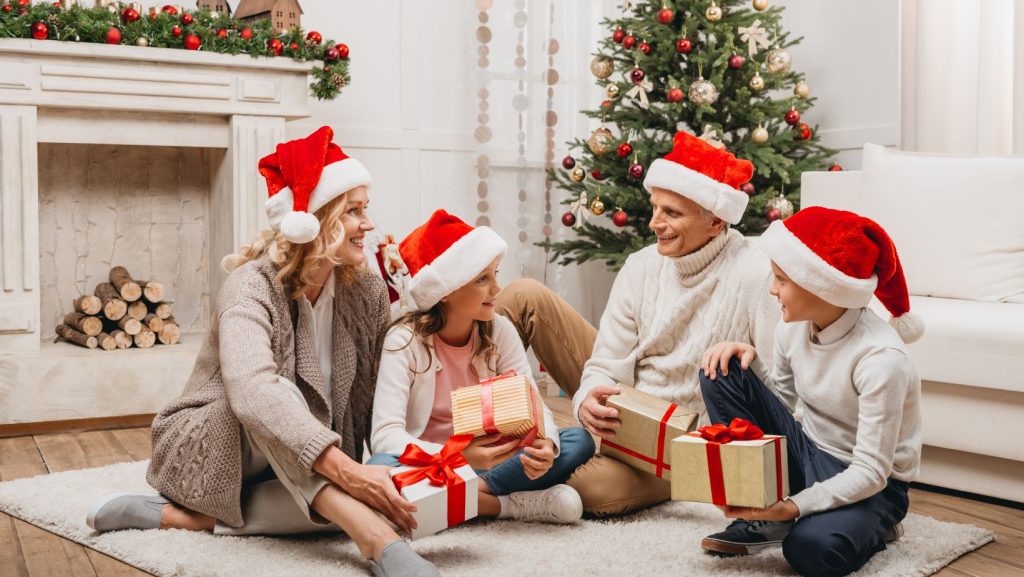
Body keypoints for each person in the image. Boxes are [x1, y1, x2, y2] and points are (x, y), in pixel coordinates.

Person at [86, 127, 440, 577]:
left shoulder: (366, 289)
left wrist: (412, 463)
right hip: (217, 441)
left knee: (337, 509)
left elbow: (374, 397)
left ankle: (184, 518)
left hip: (298, 465)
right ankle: (376, 541)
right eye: (353, 211)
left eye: (365, 209)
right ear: (316, 219)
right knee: (277, 399)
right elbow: (252, 392)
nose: (367, 224)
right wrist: (347, 472)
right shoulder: (250, 286)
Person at [494, 131, 780, 515]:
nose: (654, 223)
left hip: (685, 438)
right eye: (655, 207)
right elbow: (604, 363)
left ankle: (534, 459)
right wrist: (587, 399)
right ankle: (475, 431)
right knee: (523, 294)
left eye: (672, 213)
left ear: (715, 222)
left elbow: (778, 386)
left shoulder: (756, 272)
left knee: (591, 491)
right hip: (625, 405)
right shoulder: (642, 265)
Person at [698, 206, 923, 577]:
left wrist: (793, 507)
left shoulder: (881, 359)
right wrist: (750, 363)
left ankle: (875, 525)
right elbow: (784, 405)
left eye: (781, 279)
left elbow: (871, 472)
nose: (772, 289)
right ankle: (765, 511)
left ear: (822, 285)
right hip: (809, 450)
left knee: (810, 549)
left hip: (872, 482)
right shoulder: (794, 327)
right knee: (721, 370)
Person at [370, 210, 595, 525]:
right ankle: (509, 506)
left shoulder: (499, 330)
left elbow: (532, 402)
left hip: (492, 462)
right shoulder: (403, 341)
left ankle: (458, 497)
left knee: (577, 441)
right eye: (483, 279)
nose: (497, 289)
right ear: (447, 290)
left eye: (495, 275)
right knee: (378, 466)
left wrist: (546, 443)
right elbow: (385, 435)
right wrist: (455, 455)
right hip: (432, 462)